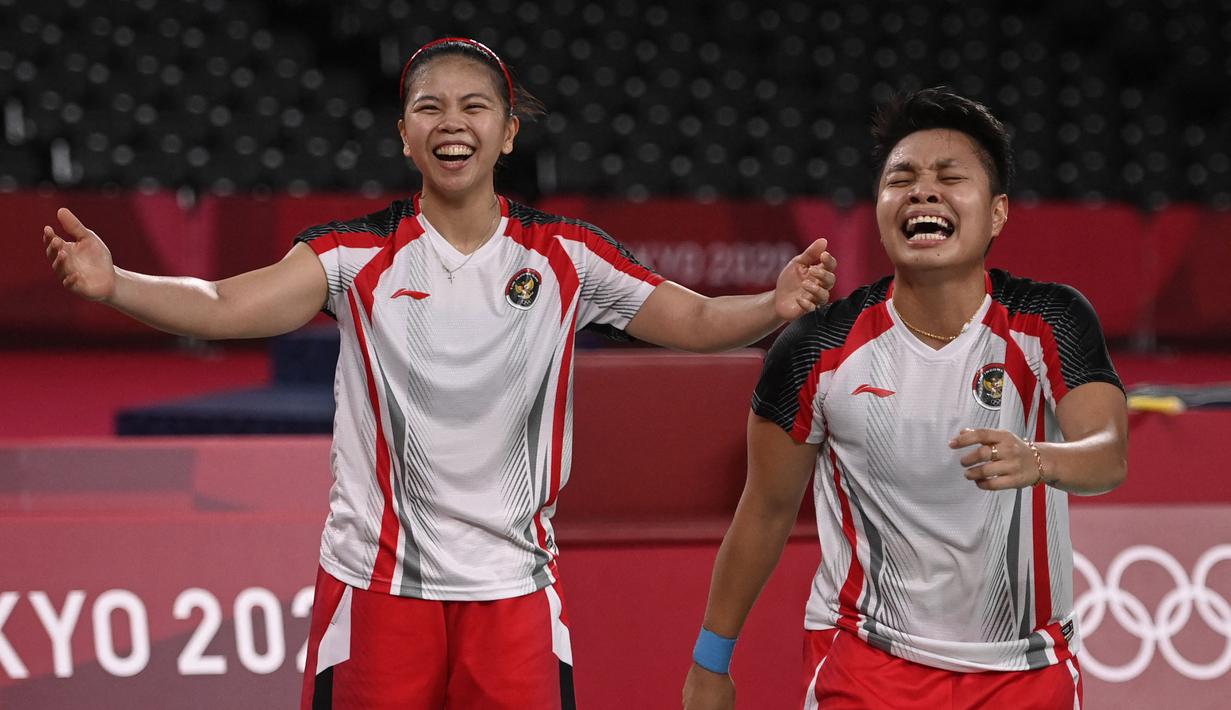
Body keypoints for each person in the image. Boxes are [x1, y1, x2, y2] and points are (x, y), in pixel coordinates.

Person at [42, 37, 837, 710]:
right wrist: (118, 285)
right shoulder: (353, 255)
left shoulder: (566, 254)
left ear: (508, 133)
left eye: (474, 106)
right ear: (403, 136)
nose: (451, 122)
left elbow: (691, 319)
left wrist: (773, 303)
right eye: (430, 107)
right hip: (375, 592)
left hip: (514, 595)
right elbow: (221, 301)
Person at [681, 87, 1128, 710]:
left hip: (1025, 671)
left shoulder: (1049, 318)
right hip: (867, 666)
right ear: (879, 208)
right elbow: (763, 512)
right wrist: (711, 665)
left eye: (950, 177)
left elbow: (1107, 454)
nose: (923, 191)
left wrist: (1040, 459)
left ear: (997, 213)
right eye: (902, 179)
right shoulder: (818, 348)